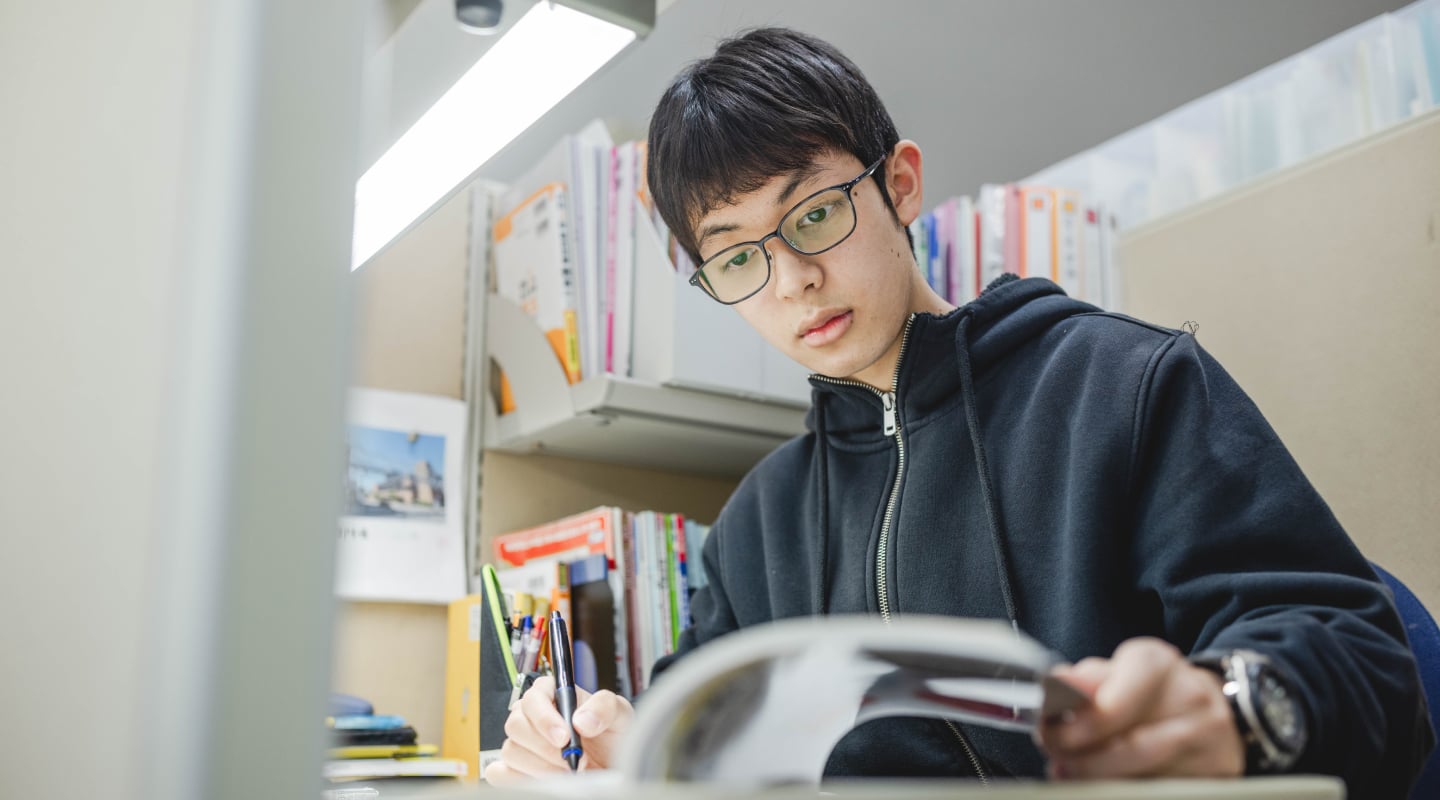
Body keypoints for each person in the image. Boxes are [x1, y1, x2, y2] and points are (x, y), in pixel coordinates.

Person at [484, 27, 1433, 795]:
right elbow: (702, 742)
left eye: (813, 215)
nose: (794, 279)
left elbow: (1362, 655)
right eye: (737, 257)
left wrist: (1229, 707)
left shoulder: (1125, 386)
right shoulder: (755, 530)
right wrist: (610, 744)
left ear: (899, 184)